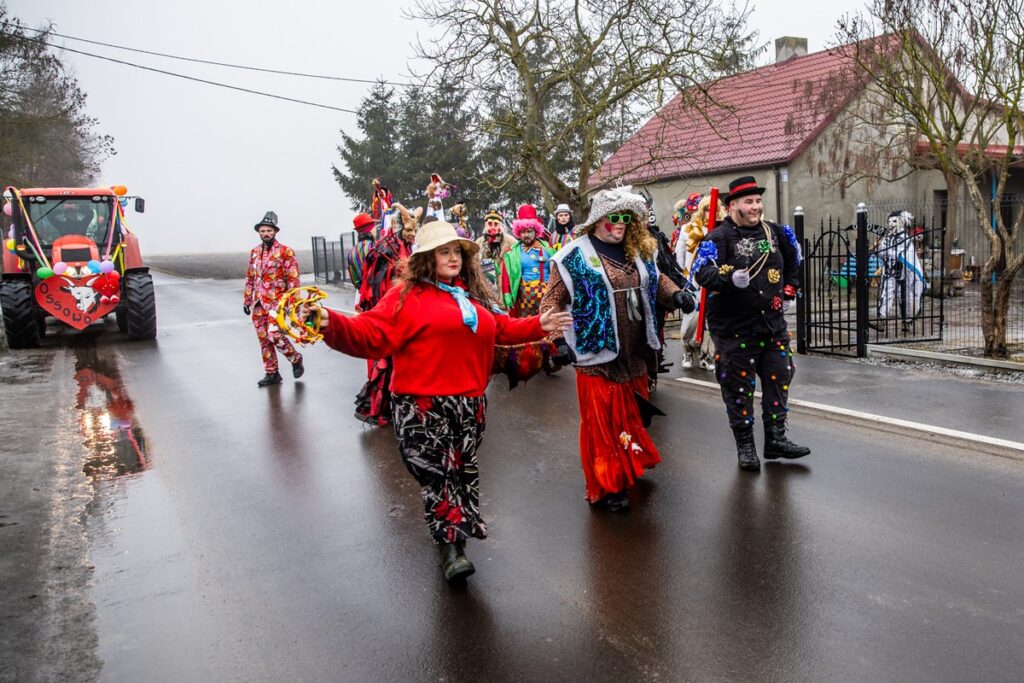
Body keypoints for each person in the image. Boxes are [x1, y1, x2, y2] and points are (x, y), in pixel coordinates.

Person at [301, 220, 571, 582]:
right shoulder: (404, 297)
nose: (453, 257)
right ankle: (450, 548)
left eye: (456, 251)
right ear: (427, 258)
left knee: (461, 472)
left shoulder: (471, 297)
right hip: (421, 405)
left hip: (469, 404)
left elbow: (500, 330)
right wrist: (327, 322)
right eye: (444, 251)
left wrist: (539, 325)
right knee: (438, 476)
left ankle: (458, 531)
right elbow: (368, 332)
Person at [541, 186, 695, 512]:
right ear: (598, 220)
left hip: (635, 353)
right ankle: (608, 484)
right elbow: (551, 303)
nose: (621, 224)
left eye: (627, 217)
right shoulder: (573, 256)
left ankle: (628, 468)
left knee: (629, 417)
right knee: (603, 424)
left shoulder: (638, 251)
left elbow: (656, 281)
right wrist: (556, 343)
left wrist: (676, 294)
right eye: (615, 217)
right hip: (595, 355)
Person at [691, 176, 810, 471]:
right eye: (749, 202)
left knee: (780, 378)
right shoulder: (717, 238)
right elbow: (700, 273)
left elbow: (794, 260)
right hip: (734, 330)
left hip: (772, 326)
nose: (756, 207)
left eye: (758, 201)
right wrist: (727, 279)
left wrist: (790, 288)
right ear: (732, 206)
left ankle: (776, 440)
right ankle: (746, 447)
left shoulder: (776, 232)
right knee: (738, 388)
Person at [353, 204, 420, 426]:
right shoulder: (386, 250)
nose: (412, 234)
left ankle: (398, 408)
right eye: (408, 230)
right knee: (386, 360)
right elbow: (377, 284)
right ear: (399, 227)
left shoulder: (404, 247)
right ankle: (381, 409)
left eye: (414, 231)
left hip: (404, 309)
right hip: (388, 310)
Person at [243, 211, 304, 387]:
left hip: (277, 302)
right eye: (262, 231)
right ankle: (272, 372)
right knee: (263, 339)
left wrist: (294, 303)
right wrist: (247, 300)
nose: (265, 234)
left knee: (274, 334)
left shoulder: (285, 252)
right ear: (259, 233)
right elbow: (250, 278)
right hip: (258, 303)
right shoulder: (254, 252)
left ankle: (295, 358)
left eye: (268, 230)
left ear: (275, 231)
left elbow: (293, 278)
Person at [675, 194, 722, 371]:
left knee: (710, 322)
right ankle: (687, 349)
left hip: (712, 282)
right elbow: (680, 255)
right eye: (708, 209)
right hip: (693, 282)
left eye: (715, 209)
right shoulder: (689, 229)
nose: (712, 213)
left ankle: (706, 355)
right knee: (691, 320)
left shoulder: (721, 230)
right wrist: (682, 278)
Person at [499, 204, 556, 316]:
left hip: (546, 296)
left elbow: (556, 271)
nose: (526, 235)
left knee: (547, 328)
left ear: (536, 231)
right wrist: (507, 294)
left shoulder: (548, 249)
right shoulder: (512, 253)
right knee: (528, 328)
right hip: (524, 298)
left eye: (529, 231)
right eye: (523, 232)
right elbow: (506, 276)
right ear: (518, 233)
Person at [875, 210, 926, 331]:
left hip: (904, 273)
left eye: (894, 221)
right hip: (889, 271)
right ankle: (881, 319)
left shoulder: (905, 239)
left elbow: (899, 254)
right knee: (886, 294)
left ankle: (906, 320)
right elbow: (881, 253)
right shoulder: (887, 237)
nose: (891, 224)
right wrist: (879, 249)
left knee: (904, 296)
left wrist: (886, 251)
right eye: (889, 221)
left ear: (901, 222)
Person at [475, 210, 515, 288]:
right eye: (490, 224)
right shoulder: (479, 242)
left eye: (496, 224)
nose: (493, 227)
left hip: (505, 283)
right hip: (485, 283)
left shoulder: (511, 241)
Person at [347, 213, 376, 308]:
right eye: (374, 226)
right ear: (370, 229)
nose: (376, 229)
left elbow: (354, 279)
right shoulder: (374, 247)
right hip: (376, 296)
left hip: (362, 297)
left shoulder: (351, 252)